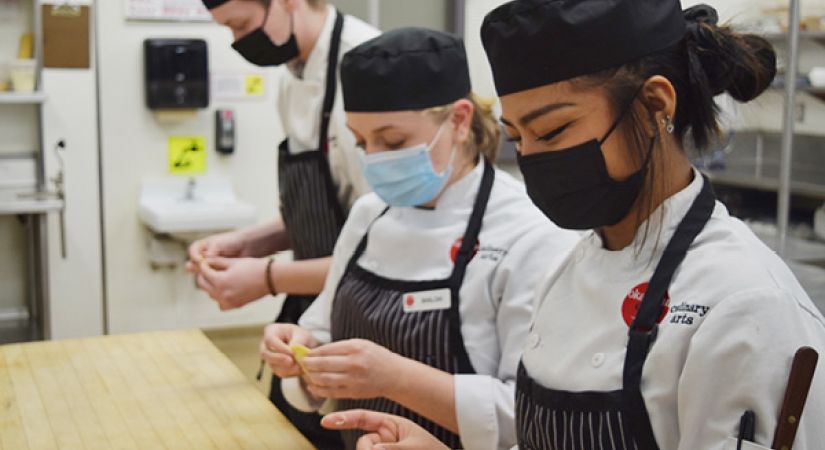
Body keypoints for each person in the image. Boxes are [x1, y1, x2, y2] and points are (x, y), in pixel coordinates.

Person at [323, 1, 825, 449]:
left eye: (553, 130)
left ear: (655, 105)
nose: (534, 159)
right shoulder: (571, 270)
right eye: (519, 138)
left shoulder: (744, 306)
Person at [259, 28, 580, 450]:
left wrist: (395, 378)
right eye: (361, 142)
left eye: (393, 141)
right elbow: (319, 329)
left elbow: (531, 417)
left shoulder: (532, 234)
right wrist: (299, 355)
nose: (374, 159)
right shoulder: (368, 215)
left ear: (459, 121)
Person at [192, 0, 378, 447]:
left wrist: (269, 277)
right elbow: (322, 207)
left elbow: (380, 243)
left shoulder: (366, 67)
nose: (238, 42)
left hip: (369, 309)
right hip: (313, 304)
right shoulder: (292, 79)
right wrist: (250, 242)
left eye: (241, 24)